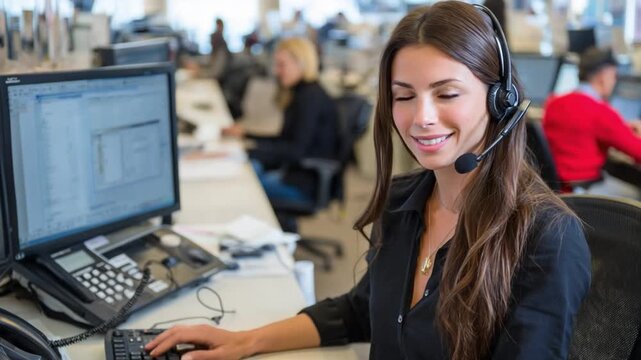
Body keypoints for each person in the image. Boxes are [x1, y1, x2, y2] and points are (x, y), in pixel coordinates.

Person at [145, 2, 591, 359]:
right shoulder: (402, 204)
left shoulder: (547, 237)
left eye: (447, 94)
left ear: (500, 100)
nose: (422, 118)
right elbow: (360, 311)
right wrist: (244, 341)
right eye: (403, 96)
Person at [222, 37, 339, 205]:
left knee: (243, 185)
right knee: (247, 169)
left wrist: (249, 151)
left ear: (301, 63)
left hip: (304, 183)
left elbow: (295, 150)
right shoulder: (301, 92)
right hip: (293, 172)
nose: (277, 71)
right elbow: (286, 139)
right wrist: (247, 136)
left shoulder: (309, 98)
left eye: (282, 65)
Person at [543, 46, 641, 192]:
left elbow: (578, 132)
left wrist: (622, 127)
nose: (614, 82)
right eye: (614, 76)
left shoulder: (553, 103)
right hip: (584, 191)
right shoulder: (600, 112)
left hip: (556, 189)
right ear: (604, 76)